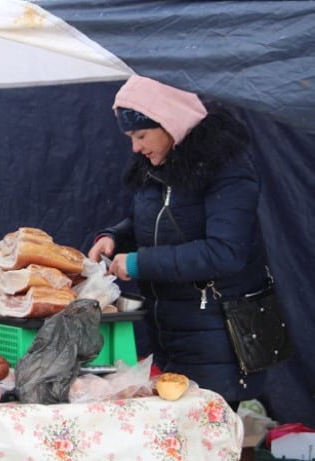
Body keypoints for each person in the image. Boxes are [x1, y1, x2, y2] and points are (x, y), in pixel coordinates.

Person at [87, 75, 270, 408]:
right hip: (171, 331)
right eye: (130, 137)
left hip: (219, 337)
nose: (135, 147)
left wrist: (140, 263)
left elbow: (225, 252)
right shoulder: (155, 166)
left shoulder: (226, 168)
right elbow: (152, 220)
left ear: (170, 123)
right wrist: (114, 236)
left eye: (141, 135)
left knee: (207, 431)